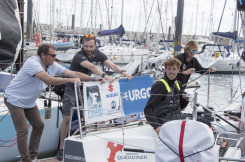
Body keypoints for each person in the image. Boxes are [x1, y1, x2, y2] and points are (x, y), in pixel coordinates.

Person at [4, 43, 103, 162]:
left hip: (29, 101)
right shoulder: (32, 63)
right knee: (23, 130)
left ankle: (33, 156)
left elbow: (74, 73)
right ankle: (26, 160)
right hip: (14, 99)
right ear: (43, 55)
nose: (55, 58)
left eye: (56, 55)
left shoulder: (53, 66)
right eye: (53, 55)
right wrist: (70, 80)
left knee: (39, 125)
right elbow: (49, 80)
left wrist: (93, 78)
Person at [57, 34, 132, 161]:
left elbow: (111, 65)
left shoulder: (98, 53)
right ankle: (61, 147)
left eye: (91, 46)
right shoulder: (78, 56)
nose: (88, 49)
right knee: (67, 117)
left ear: (95, 45)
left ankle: (86, 143)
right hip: (71, 86)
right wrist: (104, 76)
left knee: (87, 116)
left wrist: (122, 72)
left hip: (85, 87)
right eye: (86, 46)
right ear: (82, 45)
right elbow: (91, 67)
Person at [144, 58, 189, 135]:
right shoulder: (160, 85)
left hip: (177, 119)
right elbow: (148, 109)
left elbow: (180, 107)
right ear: (165, 69)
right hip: (164, 122)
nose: (171, 72)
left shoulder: (178, 84)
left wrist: (186, 100)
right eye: (169, 69)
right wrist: (157, 126)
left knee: (204, 122)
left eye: (174, 69)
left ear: (178, 70)